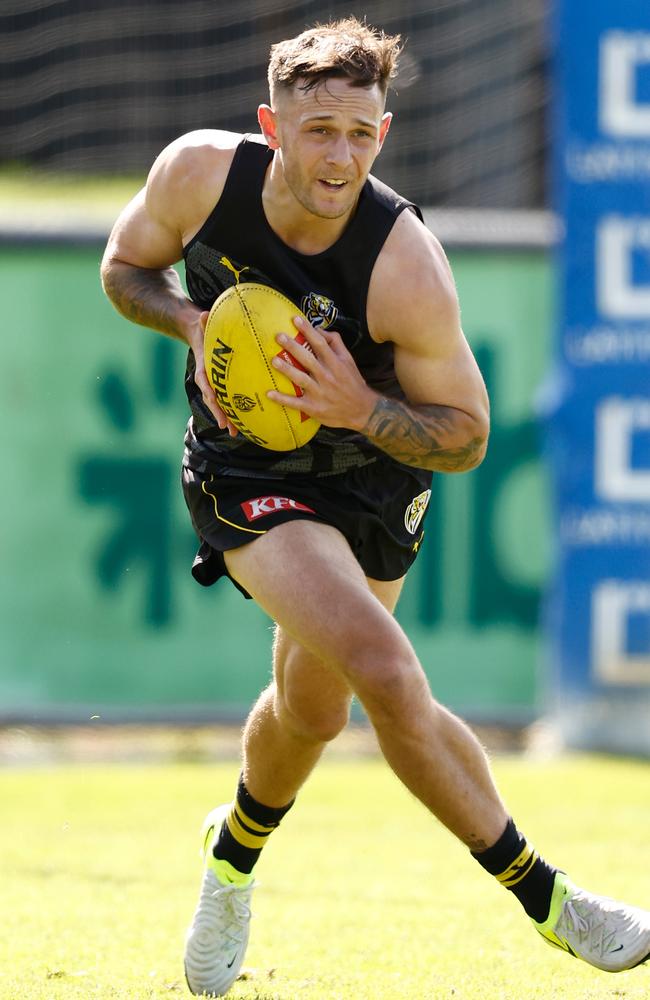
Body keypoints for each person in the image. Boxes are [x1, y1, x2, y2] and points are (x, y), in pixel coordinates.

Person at [101, 17, 650, 998]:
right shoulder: (197, 178)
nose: (338, 155)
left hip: (373, 476)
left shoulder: (402, 264)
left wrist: (359, 407)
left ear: (383, 135)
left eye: (359, 133)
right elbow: (124, 266)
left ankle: (229, 855)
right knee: (387, 673)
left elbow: (469, 435)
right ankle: (553, 901)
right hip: (242, 469)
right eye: (318, 130)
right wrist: (191, 324)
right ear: (272, 125)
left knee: (312, 710)